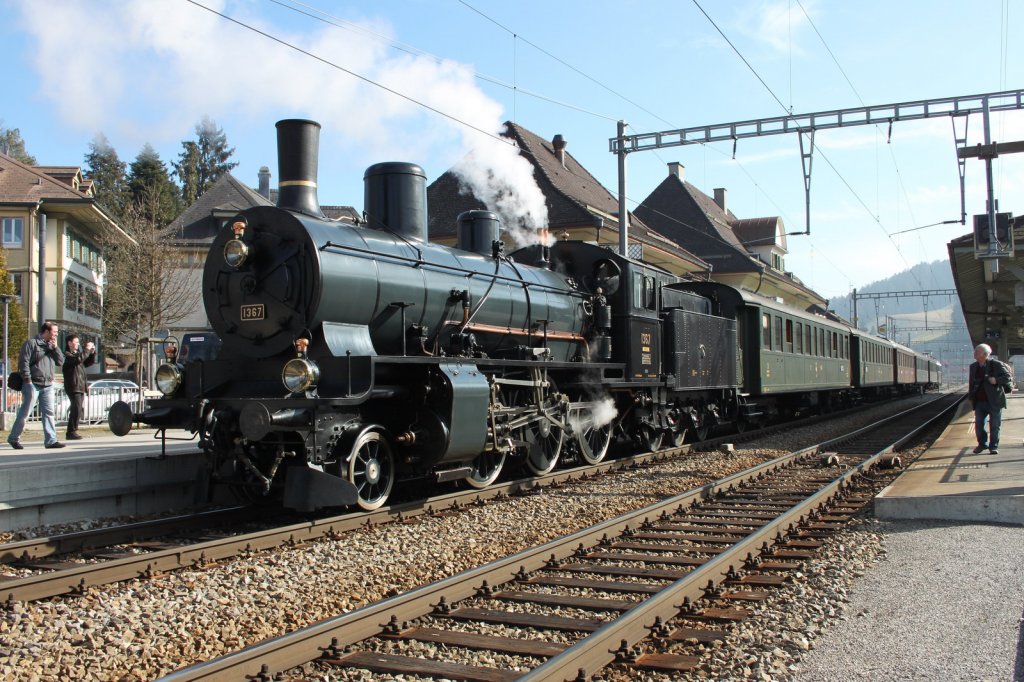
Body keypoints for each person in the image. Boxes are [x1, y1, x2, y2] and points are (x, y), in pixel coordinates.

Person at [7, 321, 65, 449]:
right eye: (55, 332)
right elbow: (24, 362)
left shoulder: (52, 346)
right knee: (25, 413)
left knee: (49, 413)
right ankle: (13, 438)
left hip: (48, 384)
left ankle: (51, 440)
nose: (56, 334)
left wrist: (56, 348)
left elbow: (60, 362)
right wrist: (27, 381)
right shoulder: (31, 343)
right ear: (46, 331)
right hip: (32, 384)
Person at [967, 343, 1013, 455]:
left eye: (977, 351)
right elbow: (972, 383)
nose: (974, 353)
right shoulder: (973, 367)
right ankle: (982, 444)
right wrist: (971, 397)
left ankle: (993, 447)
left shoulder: (996, 364)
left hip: (994, 401)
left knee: (995, 426)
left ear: (985, 354)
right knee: (979, 425)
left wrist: (996, 380)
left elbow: (1008, 377)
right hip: (979, 401)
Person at [61, 334, 96, 440]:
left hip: (80, 385)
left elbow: (88, 362)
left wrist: (92, 353)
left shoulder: (78, 355)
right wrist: (87, 349)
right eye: (76, 342)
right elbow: (78, 360)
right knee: (76, 407)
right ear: (69, 343)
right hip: (73, 385)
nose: (78, 344)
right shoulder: (67, 355)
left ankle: (73, 430)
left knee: (79, 408)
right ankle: (71, 431)